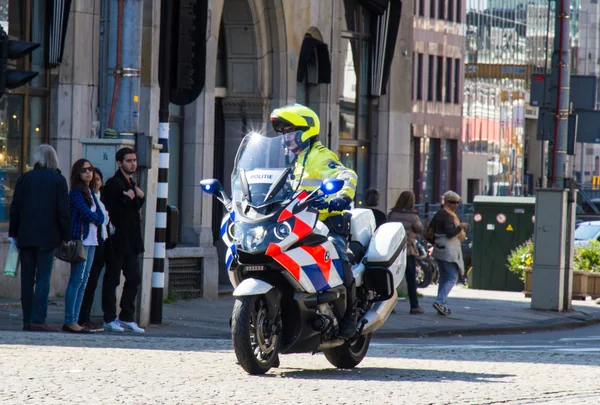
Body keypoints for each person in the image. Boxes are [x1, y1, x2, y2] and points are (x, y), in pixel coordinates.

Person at [270, 103, 359, 338]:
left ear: (306, 132)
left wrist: (340, 197)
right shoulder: (295, 162)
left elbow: (346, 174)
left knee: (339, 258)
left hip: (326, 222)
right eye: (284, 134)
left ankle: (351, 314)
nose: (286, 139)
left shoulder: (320, 156)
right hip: (299, 223)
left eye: (290, 133)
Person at [9, 144, 71, 332]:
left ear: (37, 159)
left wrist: (13, 233)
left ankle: (27, 319)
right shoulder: (58, 180)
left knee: (26, 279)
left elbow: (15, 207)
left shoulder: (25, 178)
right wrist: (67, 236)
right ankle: (38, 318)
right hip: (48, 236)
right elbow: (63, 211)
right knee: (43, 278)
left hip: (26, 236)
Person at [101, 147, 145, 333]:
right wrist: (128, 199)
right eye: (128, 160)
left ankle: (126, 316)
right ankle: (109, 318)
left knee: (134, 278)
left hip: (131, 241)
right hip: (117, 240)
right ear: (119, 163)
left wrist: (137, 198)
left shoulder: (130, 183)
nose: (133, 163)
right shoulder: (113, 184)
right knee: (112, 279)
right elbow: (111, 212)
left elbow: (133, 209)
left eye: (134, 160)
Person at [63, 159, 104, 333]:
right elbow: (87, 215)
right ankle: (69, 320)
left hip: (92, 240)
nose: (88, 172)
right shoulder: (77, 192)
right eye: (84, 170)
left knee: (84, 281)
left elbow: (101, 215)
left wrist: (96, 217)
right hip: (81, 240)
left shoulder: (90, 191)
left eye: (90, 169)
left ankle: (76, 319)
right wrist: (96, 217)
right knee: (77, 280)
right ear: (78, 173)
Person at [78, 168, 109, 332]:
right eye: (93, 179)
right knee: (85, 281)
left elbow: (104, 220)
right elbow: (97, 218)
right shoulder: (87, 197)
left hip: (100, 240)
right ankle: (81, 317)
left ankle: (85, 316)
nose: (95, 182)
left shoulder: (99, 199)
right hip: (89, 240)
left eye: (98, 179)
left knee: (92, 282)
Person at [428, 190, 469, 316]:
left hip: (440, 248)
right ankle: (440, 301)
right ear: (446, 202)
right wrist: (460, 227)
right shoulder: (446, 215)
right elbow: (450, 233)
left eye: (457, 202)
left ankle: (442, 304)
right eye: (452, 202)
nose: (455, 205)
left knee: (444, 277)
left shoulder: (441, 213)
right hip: (447, 250)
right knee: (452, 277)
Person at [388, 191, 425, 314]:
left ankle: (389, 306)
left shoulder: (392, 214)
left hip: (394, 250)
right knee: (411, 278)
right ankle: (414, 306)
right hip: (408, 249)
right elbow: (419, 229)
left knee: (392, 279)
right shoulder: (413, 217)